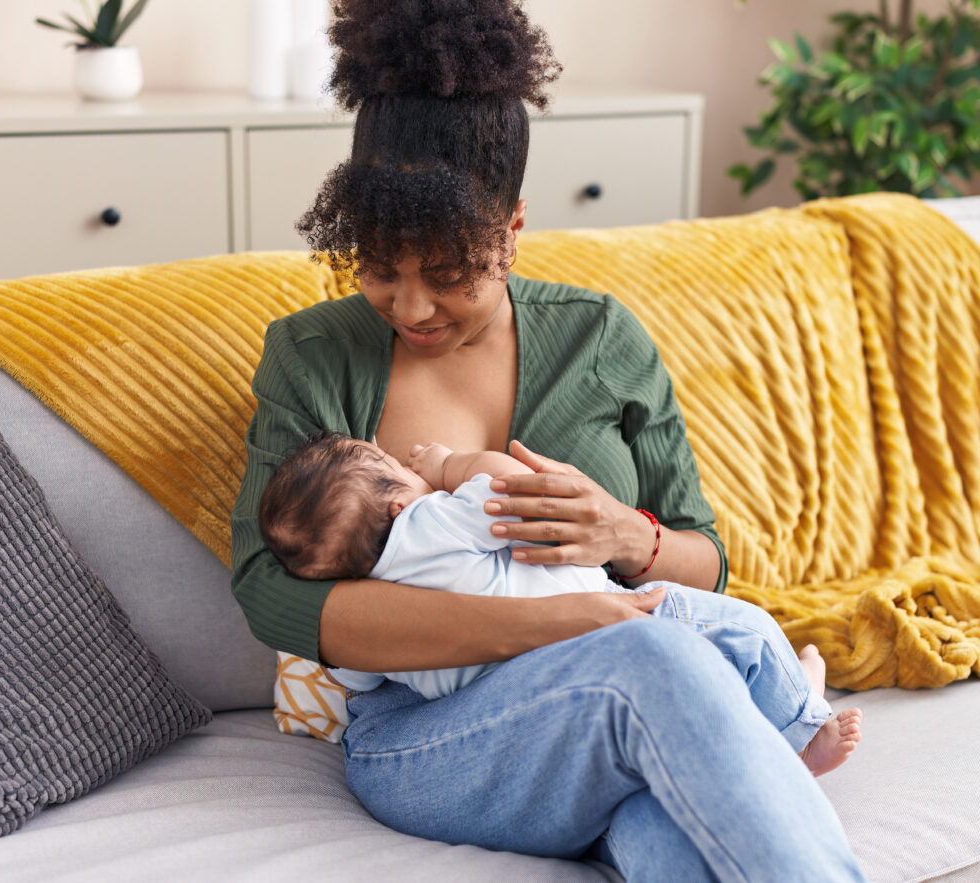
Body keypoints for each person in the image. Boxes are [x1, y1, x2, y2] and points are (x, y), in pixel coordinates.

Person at [230, 1, 869, 878]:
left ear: (513, 230)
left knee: (666, 833)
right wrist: (555, 620)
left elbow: (709, 561)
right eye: (379, 267)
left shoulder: (602, 340)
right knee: (649, 656)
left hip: (607, 710)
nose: (411, 307)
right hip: (427, 740)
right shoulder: (311, 355)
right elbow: (270, 593)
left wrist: (625, 537)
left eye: (449, 273)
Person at [258, 431, 862, 778]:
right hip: (606, 622)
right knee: (745, 628)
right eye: (394, 467)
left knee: (700, 679)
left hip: (516, 703)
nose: (410, 471)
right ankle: (800, 728)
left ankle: (765, 730)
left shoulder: (372, 604)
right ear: (397, 506)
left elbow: (354, 675)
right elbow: (510, 491)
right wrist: (447, 466)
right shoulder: (427, 523)